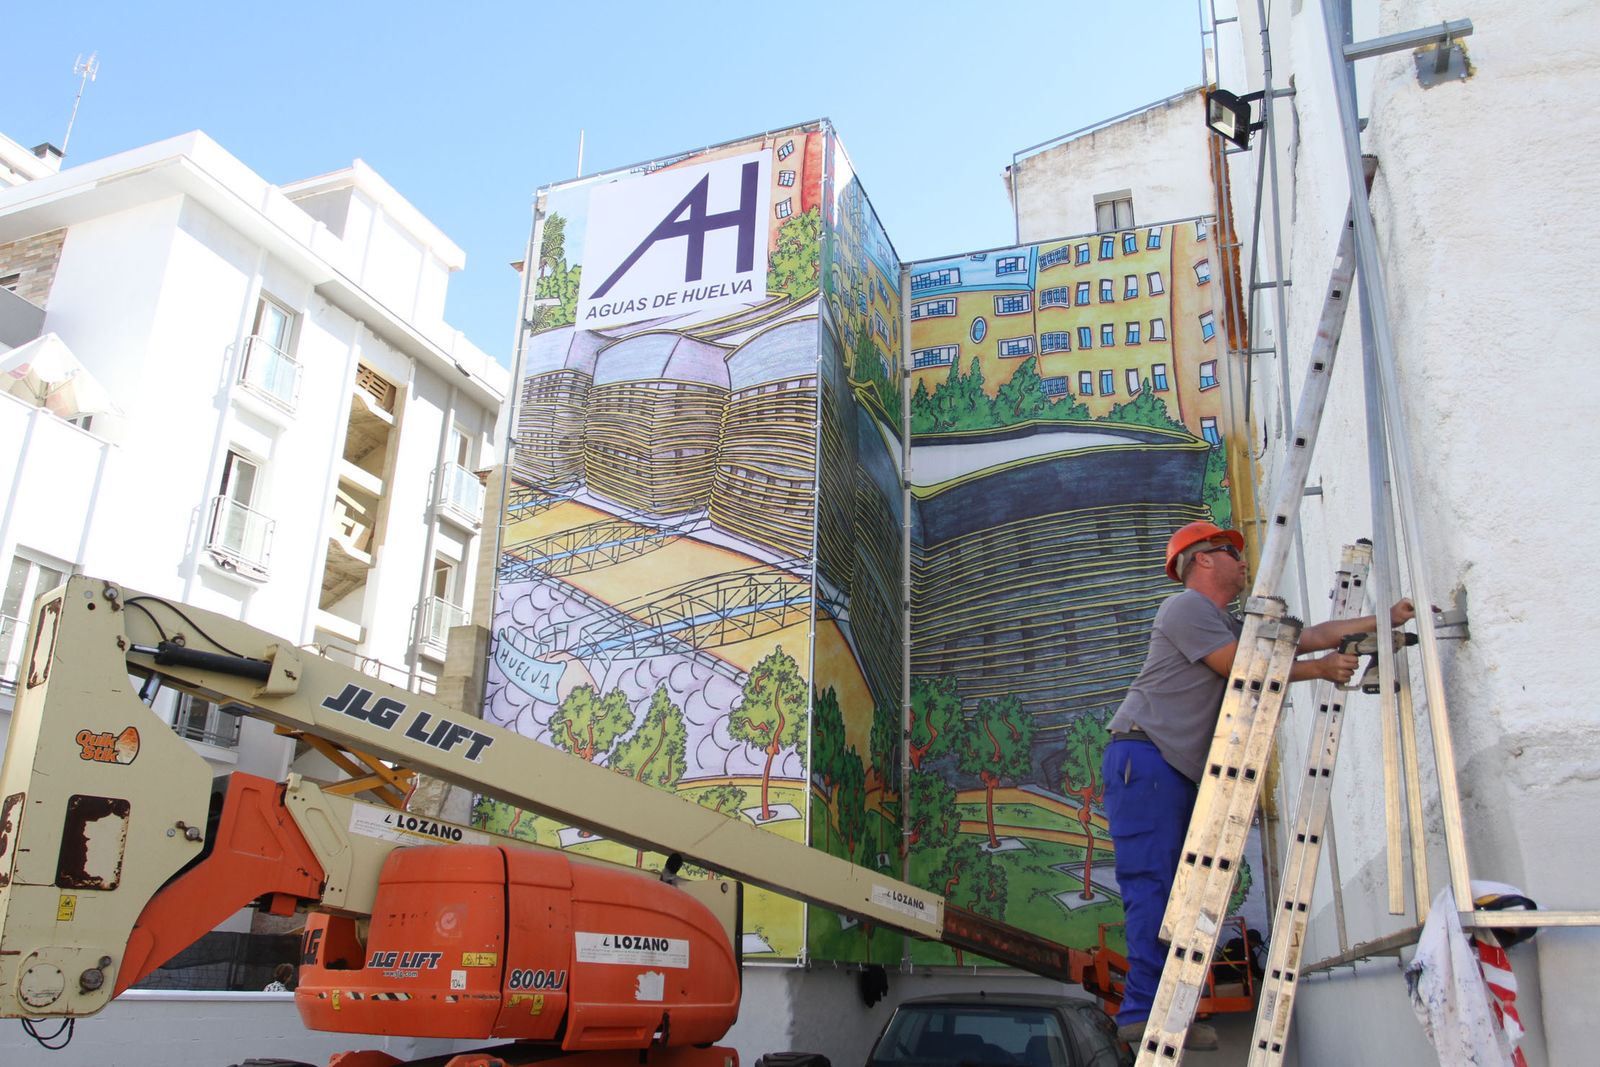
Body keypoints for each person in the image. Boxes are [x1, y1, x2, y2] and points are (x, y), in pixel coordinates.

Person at [1101, 520, 1415, 1050]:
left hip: (1168, 766)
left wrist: (1384, 619)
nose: (1243, 562)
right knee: (1152, 886)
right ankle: (1141, 1010)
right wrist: (1319, 672)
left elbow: (1307, 636)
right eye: (1232, 551)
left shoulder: (1219, 619)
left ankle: (1169, 1007)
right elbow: (1239, 669)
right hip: (1146, 758)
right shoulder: (1185, 609)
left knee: (1185, 893)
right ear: (1201, 559)